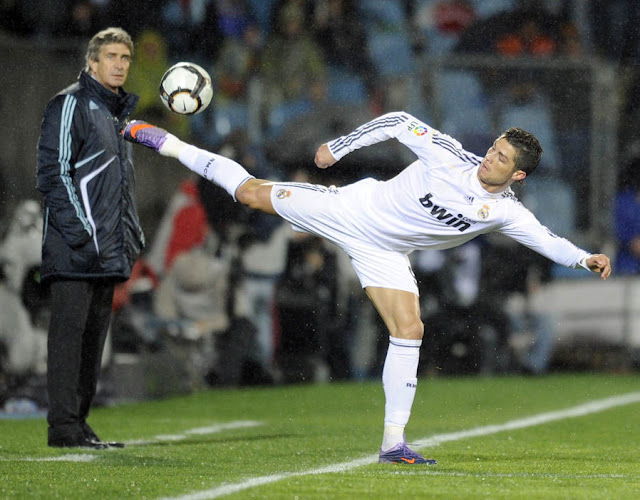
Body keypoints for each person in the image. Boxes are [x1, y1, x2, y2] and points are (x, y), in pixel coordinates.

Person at [122, 111, 611, 465]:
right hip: (350, 211)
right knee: (250, 193)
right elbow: (399, 121)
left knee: (410, 327)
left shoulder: (506, 211)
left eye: (501, 158)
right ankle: (162, 140)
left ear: (517, 175)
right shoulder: (447, 156)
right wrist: (340, 146)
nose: (489, 158)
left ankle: (393, 444)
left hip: (385, 254)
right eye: (493, 148)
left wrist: (584, 258)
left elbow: (545, 239)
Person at [36, 27, 143, 449]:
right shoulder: (69, 104)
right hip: (74, 248)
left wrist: (131, 234)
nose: (119, 64)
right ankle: (62, 427)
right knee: (68, 339)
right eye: (112, 56)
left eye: (126, 58)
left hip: (108, 249)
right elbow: (52, 173)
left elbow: (120, 186)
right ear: (92, 62)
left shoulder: (118, 117)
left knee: (93, 342)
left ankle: (78, 424)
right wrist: (82, 233)